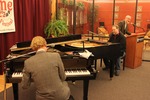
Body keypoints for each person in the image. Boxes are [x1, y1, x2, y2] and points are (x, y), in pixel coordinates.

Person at [21, 36, 73, 100]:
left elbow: (24, 86)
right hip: (60, 96)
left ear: (33, 48)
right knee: (64, 83)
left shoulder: (28, 62)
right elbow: (63, 77)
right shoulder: (56, 56)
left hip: (42, 98)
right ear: (45, 44)